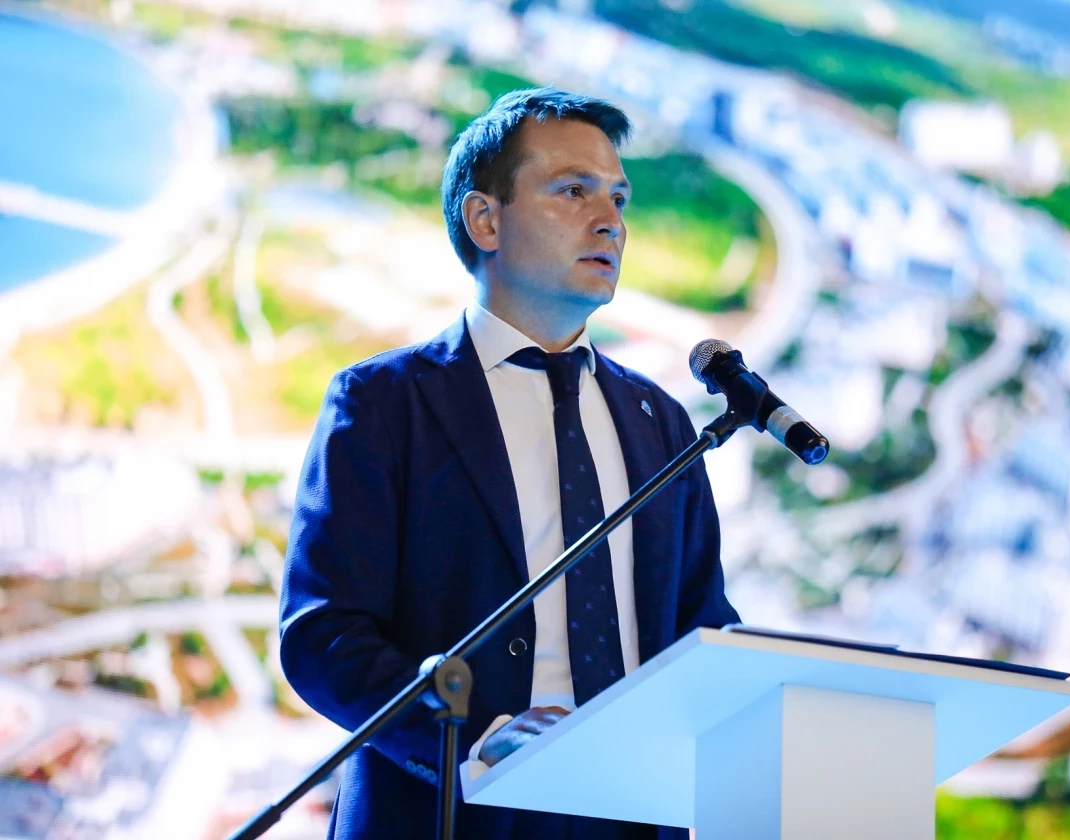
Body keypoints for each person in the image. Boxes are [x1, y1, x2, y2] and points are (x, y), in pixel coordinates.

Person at [279, 88, 740, 839]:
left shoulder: (661, 422)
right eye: (574, 191)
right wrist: (472, 746)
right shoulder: (383, 403)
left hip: (633, 817)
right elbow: (323, 633)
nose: (611, 221)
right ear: (485, 220)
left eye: (619, 198)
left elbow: (703, 627)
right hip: (449, 810)